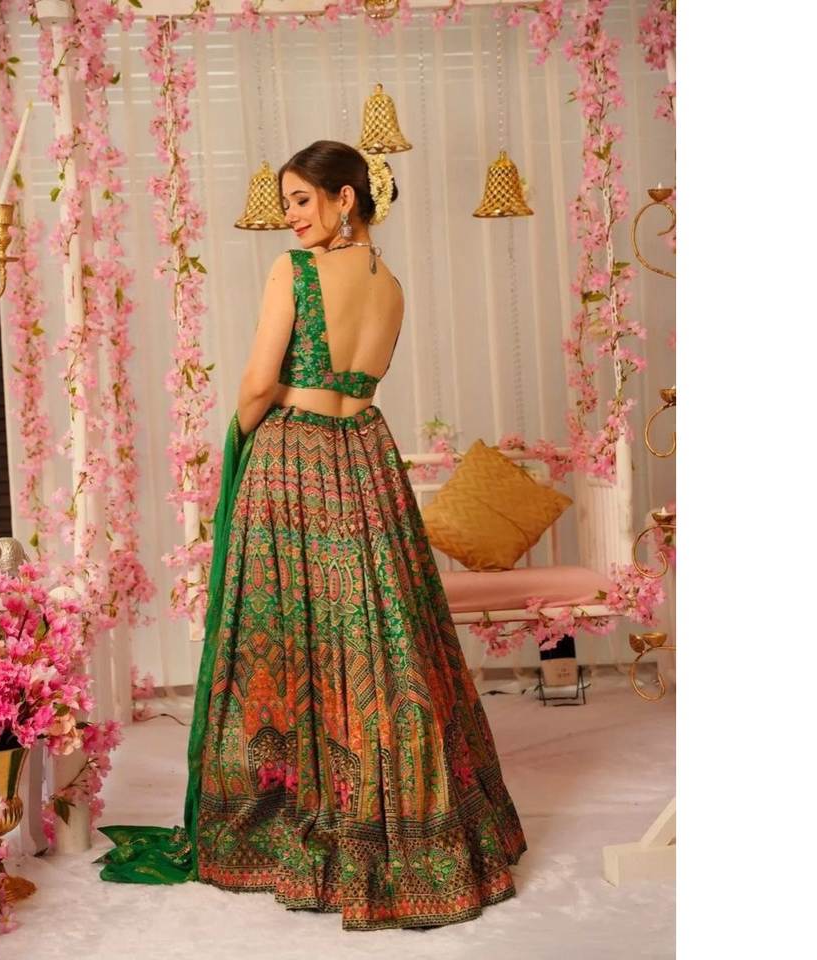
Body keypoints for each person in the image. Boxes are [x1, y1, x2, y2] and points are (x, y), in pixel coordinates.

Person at [96, 140, 526, 931]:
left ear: (344, 198)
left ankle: (295, 818)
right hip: (365, 455)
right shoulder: (391, 286)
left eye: (301, 200)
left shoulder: (295, 273)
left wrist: (237, 434)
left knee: (286, 641)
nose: (290, 217)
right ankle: (413, 822)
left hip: (292, 458)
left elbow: (261, 380)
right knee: (381, 639)